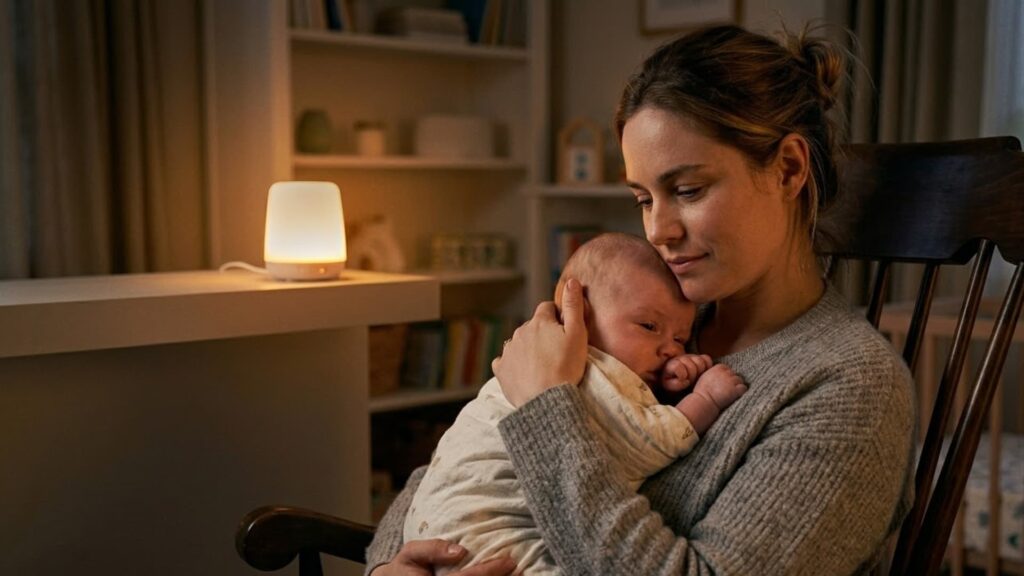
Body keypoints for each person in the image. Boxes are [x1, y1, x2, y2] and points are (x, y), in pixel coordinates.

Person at [367, 24, 915, 576]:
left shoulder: (849, 386)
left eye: (688, 190)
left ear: (789, 169)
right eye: (642, 198)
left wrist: (545, 409)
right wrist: (391, 567)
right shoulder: (644, 319)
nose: (658, 230)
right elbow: (460, 465)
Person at [404, 232, 747, 575]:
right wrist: (703, 399)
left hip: (436, 527)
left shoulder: (545, 362)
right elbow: (647, 442)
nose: (671, 349)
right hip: (480, 535)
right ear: (579, 313)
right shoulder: (596, 373)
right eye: (648, 326)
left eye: (680, 339)